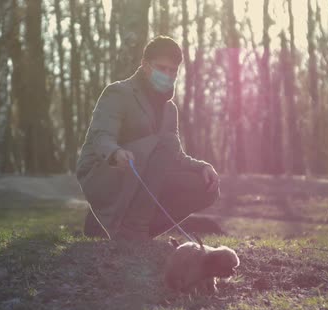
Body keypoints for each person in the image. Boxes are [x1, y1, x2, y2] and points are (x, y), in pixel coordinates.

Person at [76, 36, 220, 241]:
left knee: (205, 188)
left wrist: (202, 167)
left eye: (173, 71)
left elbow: (175, 155)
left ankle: (129, 229)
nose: (168, 75)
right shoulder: (118, 92)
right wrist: (115, 153)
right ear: (145, 65)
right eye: (162, 68)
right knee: (164, 143)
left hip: (145, 178)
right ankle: (132, 228)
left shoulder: (170, 109)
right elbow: (101, 135)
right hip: (107, 172)